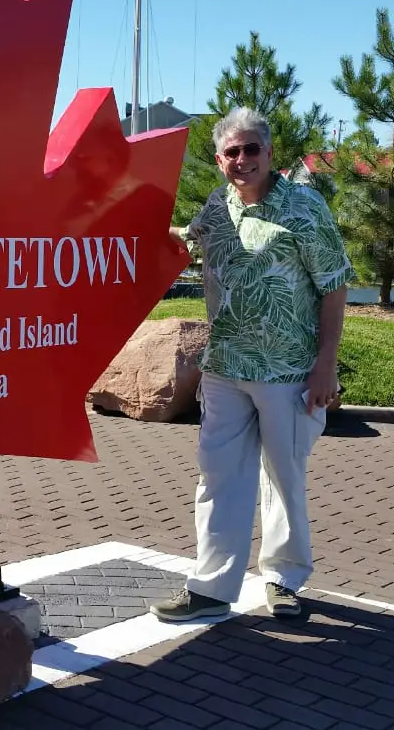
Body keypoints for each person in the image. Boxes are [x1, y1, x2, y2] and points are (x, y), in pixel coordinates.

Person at [151, 106, 353, 623]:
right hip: (224, 367)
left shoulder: (304, 209)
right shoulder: (217, 207)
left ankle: (284, 581)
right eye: (232, 152)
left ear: (269, 153)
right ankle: (212, 589)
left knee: (283, 479)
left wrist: (325, 365)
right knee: (218, 477)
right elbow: (186, 236)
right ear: (219, 160)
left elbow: (334, 286)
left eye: (252, 149)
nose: (243, 160)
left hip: (288, 370)